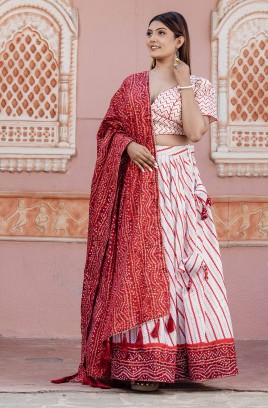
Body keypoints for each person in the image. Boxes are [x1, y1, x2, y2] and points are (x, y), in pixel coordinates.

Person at [52, 11, 239, 392]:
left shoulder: (200, 84)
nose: (152, 38)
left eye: (161, 33)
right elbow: (110, 130)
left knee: (181, 265)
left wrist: (184, 84)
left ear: (179, 40)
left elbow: (194, 133)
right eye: (149, 32)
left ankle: (180, 361)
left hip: (180, 182)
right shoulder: (132, 84)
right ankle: (143, 363)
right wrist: (129, 145)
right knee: (141, 263)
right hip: (139, 179)